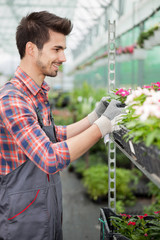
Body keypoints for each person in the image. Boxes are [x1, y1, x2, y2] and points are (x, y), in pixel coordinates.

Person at [0, 11, 122, 240]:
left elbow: (53, 135)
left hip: (46, 208)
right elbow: (48, 157)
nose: (63, 58)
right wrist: (104, 126)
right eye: (57, 49)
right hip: (24, 219)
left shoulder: (36, 94)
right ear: (31, 49)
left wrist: (94, 117)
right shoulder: (12, 99)